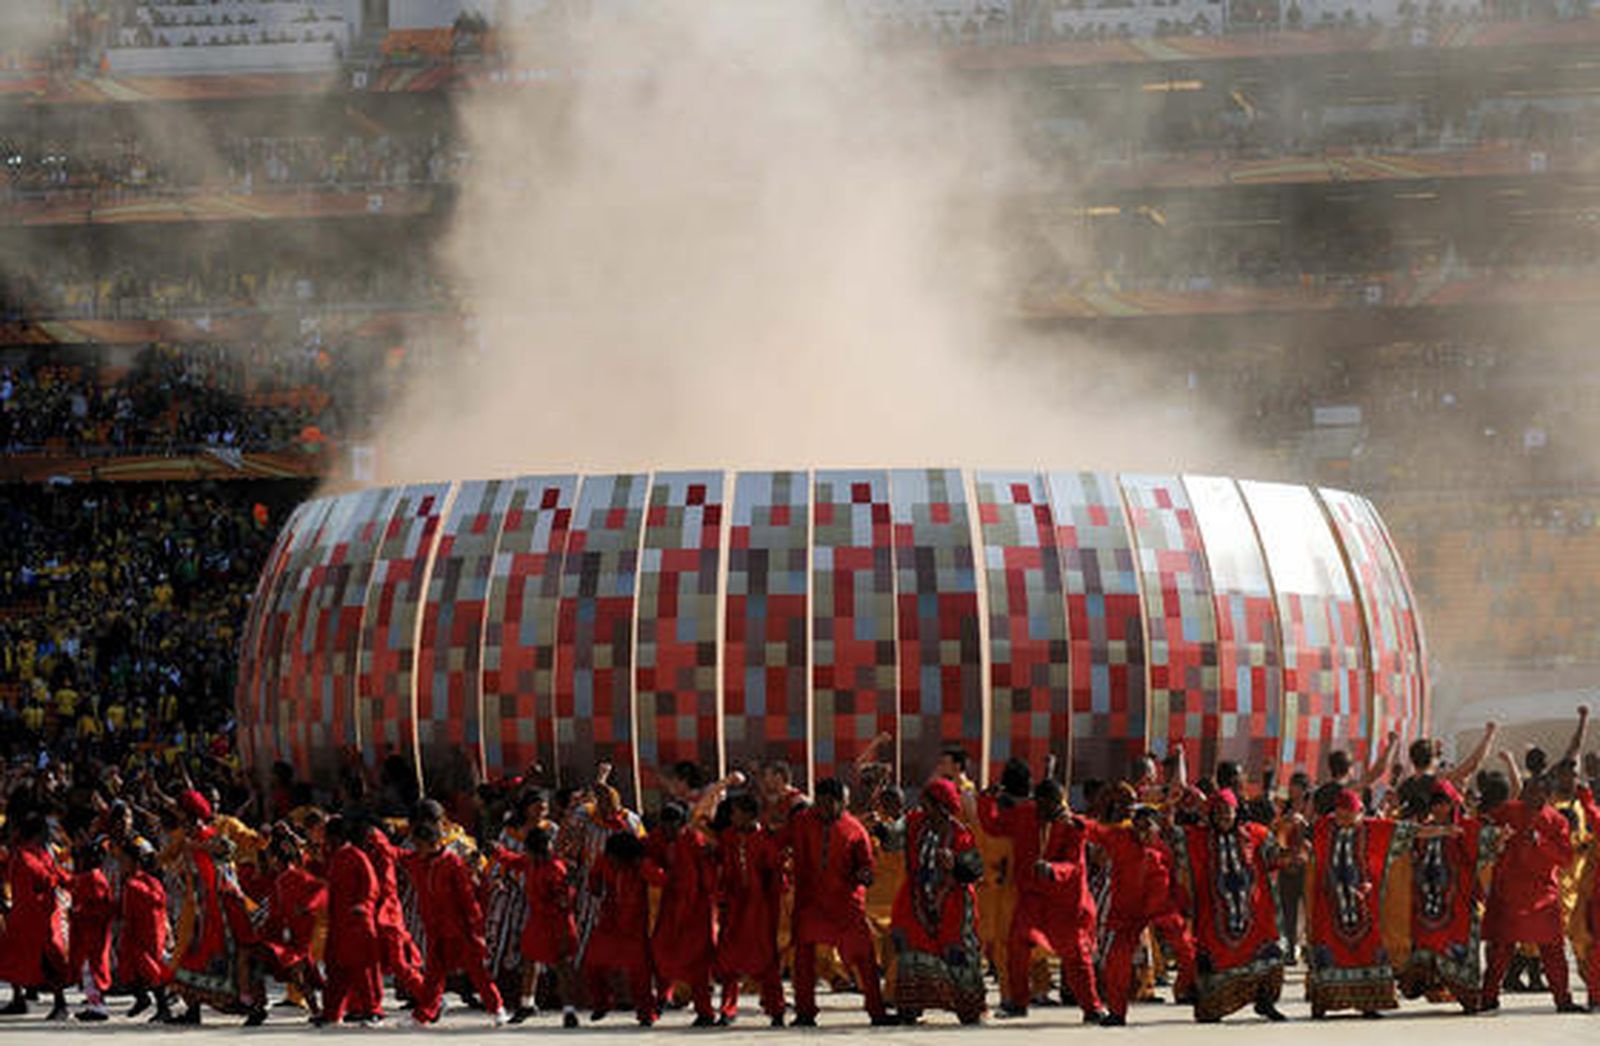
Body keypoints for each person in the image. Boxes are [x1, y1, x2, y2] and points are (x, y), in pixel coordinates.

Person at [979, 776, 1107, 1024]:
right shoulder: (1025, 813)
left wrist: (1052, 870)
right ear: (1038, 802)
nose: (1053, 810)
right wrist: (986, 800)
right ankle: (1018, 1002)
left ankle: (1092, 1008)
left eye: (1057, 805)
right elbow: (993, 825)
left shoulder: (1072, 825)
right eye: (1048, 805)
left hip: (1065, 901)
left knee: (1076, 954)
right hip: (1032, 897)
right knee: (1017, 943)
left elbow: (1075, 866)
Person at [784, 777, 893, 1026]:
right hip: (810, 903)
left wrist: (865, 874)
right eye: (821, 804)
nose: (826, 809)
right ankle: (805, 1012)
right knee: (803, 958)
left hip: (846, 905)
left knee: (864, 958)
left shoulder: (855, 829)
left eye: (836, 803)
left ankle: (876, 1011)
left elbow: (866, 865)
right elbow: (779, 843)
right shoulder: (801, 823)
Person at [1172, 789, 1287, 1023]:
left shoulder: (1256, 834)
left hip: (1254, 918)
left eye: (1229, 811)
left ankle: (1266, 1003)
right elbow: (1170, 836)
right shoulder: (1198, 838)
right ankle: (1213, 1006)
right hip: (1215, 921)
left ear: (1237, 812)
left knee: (1269, 958)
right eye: (1219, 812)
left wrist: (1293, 850)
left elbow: (1276, 859)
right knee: (1214, 966)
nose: (1225, 816)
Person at [1304, 789, 1418, 1018]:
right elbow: (1302, 838)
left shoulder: (1373, 828)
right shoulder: (1323, 828)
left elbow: (1409, 832)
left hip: (1364, 907)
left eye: (1350, 816)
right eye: (1341, 816)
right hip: (1329, 907)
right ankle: (1323, 1001)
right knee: (1328, 951)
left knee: (1369, 949)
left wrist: (1442, 830)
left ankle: (1371, 1002)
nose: (1345, 821)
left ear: (1361, 813)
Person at [1479, 773, 1587, 1014]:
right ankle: (1488, 996)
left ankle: (1563, 999)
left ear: (1547, 795)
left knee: (1553, 950)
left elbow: (1566, 857)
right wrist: (1496, 837)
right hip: (1508, 891)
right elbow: (1483, 827)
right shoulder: (1508, 810)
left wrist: (1540, 842)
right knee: (1500, 949)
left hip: (1542, 894)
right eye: (1527, 790)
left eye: (1536, 791)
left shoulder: (1557, 821)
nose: (1530, 795)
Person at [889, 777, 986, 1025]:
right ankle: (911, 1005)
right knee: (910, 943)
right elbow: (891, 839)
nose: (923, 809)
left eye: (927, 804)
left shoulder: (961, 834)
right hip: (916, 901)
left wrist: (956, 862)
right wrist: (884, 819)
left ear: (941, 807)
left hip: (952, 903)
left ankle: (968, 1008)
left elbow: (975, 869)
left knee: (956, 952)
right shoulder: (913, 824)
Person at [1090, 804, 1197, 1025]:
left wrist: (1184, 904)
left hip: (1161, 907)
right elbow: (1094, 830)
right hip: (1128, 912)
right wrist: (1072, 819)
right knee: (1117, 960)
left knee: (1187, 949)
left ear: (1156, 828)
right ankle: (1117, 1012)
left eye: (1147, 827)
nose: (1142, 832)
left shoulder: (1163, 850)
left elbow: (1176, 881)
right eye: (1138, 827)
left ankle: (1186, 988)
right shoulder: (1120, 839)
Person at [1398, 780, 1495, 1012]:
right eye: (1435, 804)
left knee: (1457, 941)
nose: (1439, 809)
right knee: (1425, 946)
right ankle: (1428, 985)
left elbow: (1484, 845)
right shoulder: (1424, 828)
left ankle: (1468, 996)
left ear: (1453, 805)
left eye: (1444, 804)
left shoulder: (1465, 828)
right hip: (1426, 904)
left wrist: (1498, 839)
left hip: (1457, 902)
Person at [401, 817, 509, 1026]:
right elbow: (399, 855)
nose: (415, 849)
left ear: (430, 843)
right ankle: (424, 1014)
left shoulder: (452, 863)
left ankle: (497, 1008)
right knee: (433, 975)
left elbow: (467, 898)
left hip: (459, 928)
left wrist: (476, 929)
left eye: (418, 844)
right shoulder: (418, 862)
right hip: (435, 927)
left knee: (477, 972)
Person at [489, 825, 579, 1027]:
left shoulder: (555, 868)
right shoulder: (533, 862)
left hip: (557, 923)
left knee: (562, 965)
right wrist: (498, 853)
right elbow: (514, 861)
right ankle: (528, 1003)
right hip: (539, 921)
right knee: (530, 960)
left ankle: (569, 1010)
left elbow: (564, 900)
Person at [711, 792, 785, 1026]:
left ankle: (775, 1008)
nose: (732, 817)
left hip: (759, 909)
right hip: (734, 907)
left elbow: (776, 876)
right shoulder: (727, 837)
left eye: (736, 812)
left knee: (766, 959)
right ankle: (728, 1008)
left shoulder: (766, 839)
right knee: (729, 960)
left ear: (748, 815)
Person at [645, 800, 717, 1026]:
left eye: (672, 825)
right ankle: (661, 999)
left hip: (696, 909)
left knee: (697, 962)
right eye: (665, 825)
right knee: (661, 951)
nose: (668, 830)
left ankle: (704, 1012)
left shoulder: (693, 840)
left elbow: (703, 878)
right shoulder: (658, 838)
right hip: (672, 906)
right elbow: (646, 854)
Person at [581, 831, 657, 1026]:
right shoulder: (605, 860)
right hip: (610, 921)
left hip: (635, 925)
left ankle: (646, 1013)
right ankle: (602, 1002)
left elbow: (661, 880)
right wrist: (595, 884)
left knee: (640, 973)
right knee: (591, 962)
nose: (611, 861)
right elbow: (595, 878)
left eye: (615, 858)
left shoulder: (641, 866)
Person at [0, 812, 71, 1020]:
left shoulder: (29, 855)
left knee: (45, 960)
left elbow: (47, 878)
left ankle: (60, 1003)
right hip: (26, 915)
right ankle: (19, 999)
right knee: (12, 957)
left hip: (36, 916)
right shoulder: (24, 854)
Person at [319, 815, 383, 1026]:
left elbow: (372, 886)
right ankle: (332, 1013)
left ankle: (372, 1010)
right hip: (339, 924)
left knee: (361, 969)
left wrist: (363, 906)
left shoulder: (356, 855)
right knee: (336, 970)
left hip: (356, 923)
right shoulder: (335, 857)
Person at [118, 839, 173, 1022]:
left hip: (142, 934)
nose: (121, 865)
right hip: (149, 932)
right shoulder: (149, 881)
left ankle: (160, 1006)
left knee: (148, 970)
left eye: (123, 861)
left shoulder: (134, 885)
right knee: (142, 969)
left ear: (134, 862)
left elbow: (132, 914)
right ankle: (145, 999)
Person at [68, 840, 116, 1021]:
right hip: (91, 931)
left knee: (91, 970)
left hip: (92, 933)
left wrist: (78, 912)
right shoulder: (94, 877)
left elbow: (99, 908)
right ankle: (95, 1004)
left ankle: (98, 1006)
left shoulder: (92, 878)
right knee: (91, 969)